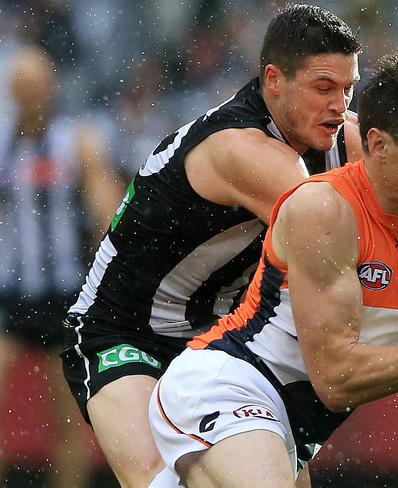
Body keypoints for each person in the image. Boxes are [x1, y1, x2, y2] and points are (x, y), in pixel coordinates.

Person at [149, 53, 398, 488]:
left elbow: (390, 345)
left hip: (292, 423)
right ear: (378, 144)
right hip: (229, 383)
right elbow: (337, 378)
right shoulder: (323, 209)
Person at [60, 5, 363, 487]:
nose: (338, 105)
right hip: (122, 330)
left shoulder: (341, 135)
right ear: (273, 80)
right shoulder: (245, 150)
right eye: (323, 88)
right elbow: (353, 252)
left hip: (215, 338)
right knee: (165, 481)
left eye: (348, 89)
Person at [0, 45, 122, 487]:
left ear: (50, 87)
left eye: (36, 84)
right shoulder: (4, 143)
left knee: (68, 419)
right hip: (13, 291)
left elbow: (105, 206)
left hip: (63, 293)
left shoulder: (76, 140)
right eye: (22, 85)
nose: (30, 93)